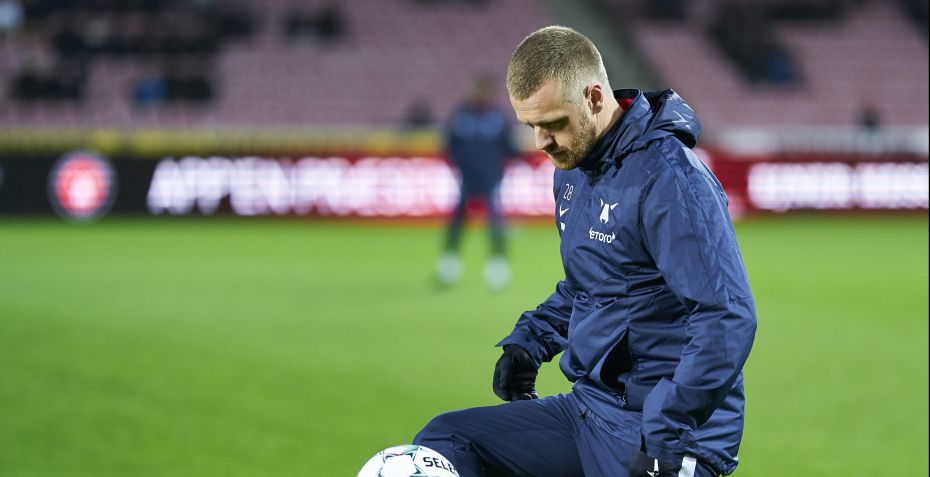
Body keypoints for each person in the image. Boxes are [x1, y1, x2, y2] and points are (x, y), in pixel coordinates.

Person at [414, 26, 757, 477]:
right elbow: (588, 286)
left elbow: (726, 315)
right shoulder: (574, 169)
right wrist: (529, 342)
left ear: (594, 97)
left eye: (553, 123)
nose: (541, 141)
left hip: (664, 435)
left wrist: (666, 430)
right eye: (531, 126)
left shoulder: (670, 178)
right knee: (444, 442)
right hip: (590, 413)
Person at [435, 75, 519, 291]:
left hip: (491, 180)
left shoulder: (498, 118)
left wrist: (501, 169)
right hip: (467, 179)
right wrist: (459, 166)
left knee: (494, 223)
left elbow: (510, 148)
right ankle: (449, 266)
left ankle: (498, 268)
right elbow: (449, 145)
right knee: (457, 223)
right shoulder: (461, 117)